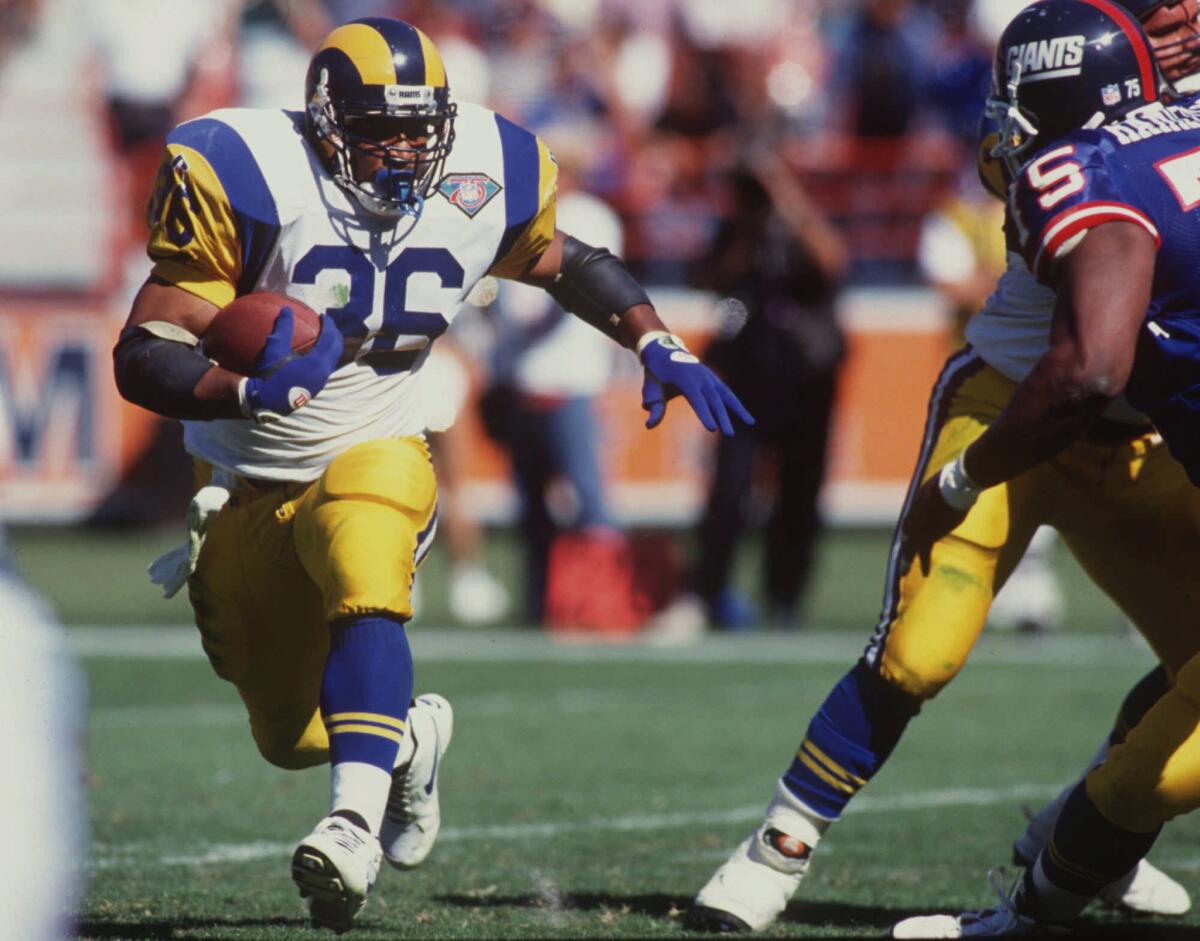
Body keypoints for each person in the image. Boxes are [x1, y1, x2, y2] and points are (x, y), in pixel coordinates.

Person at [111, 16, 751, 934]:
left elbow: (561, 261)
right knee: (288, 732)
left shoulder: (486, 166)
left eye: (422, 128)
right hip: (248, 479)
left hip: (380, 439)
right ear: (328, 124)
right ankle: (409, 739)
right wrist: (241, 386)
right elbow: (145, 348)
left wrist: (654, 337)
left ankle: (352, 825)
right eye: (382, 131)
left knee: (369, 541)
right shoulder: (247, 172)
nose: (408, 151)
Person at [689, 0, 1200, 932]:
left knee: (1192, 660)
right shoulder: (1084, 158)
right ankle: (777, 844)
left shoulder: (1102, 146)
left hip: (1137, 436)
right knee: (919, 648)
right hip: (1010, 405)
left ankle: (1093, 837)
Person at [890, 1, 1200, 935]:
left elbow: (1092, 368)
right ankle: (1035, 904)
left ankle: (1028, 915)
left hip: (1077, 421)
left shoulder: (1083, 168)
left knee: (1163, 768)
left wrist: (962, 476)